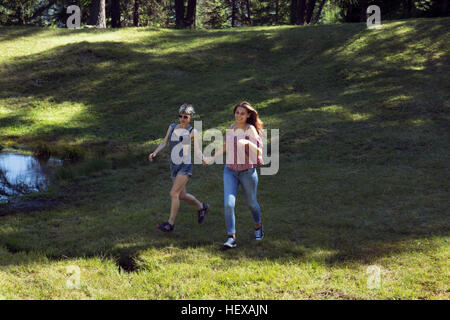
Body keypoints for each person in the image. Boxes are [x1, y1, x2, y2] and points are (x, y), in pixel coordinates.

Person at [203, 101, 264, 249]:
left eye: (242, 113)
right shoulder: (231, 128)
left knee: (251, 203)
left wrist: (248, 143)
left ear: (248, 115)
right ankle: (231, 237)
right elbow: (226, 147)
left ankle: (258, 226)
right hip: (230, 171)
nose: (239, 115)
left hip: (247, 172)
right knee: (229, 204)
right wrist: (211, 158)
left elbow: (260, 152)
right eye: (237, 113)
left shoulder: (251, 130)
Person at [149, 104, 210, 232]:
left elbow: (197, 150)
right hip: (174, 166)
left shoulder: (192, 131)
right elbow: (164, 143)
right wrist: (155, 152)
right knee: (182, 195)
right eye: (181, 116)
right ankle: (202, 207)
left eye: (185, 117)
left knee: (174, 193)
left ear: (191, 117)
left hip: (185, 165)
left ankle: (170, 224)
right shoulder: (172, 127)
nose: (182, 119)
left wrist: (203, 158)